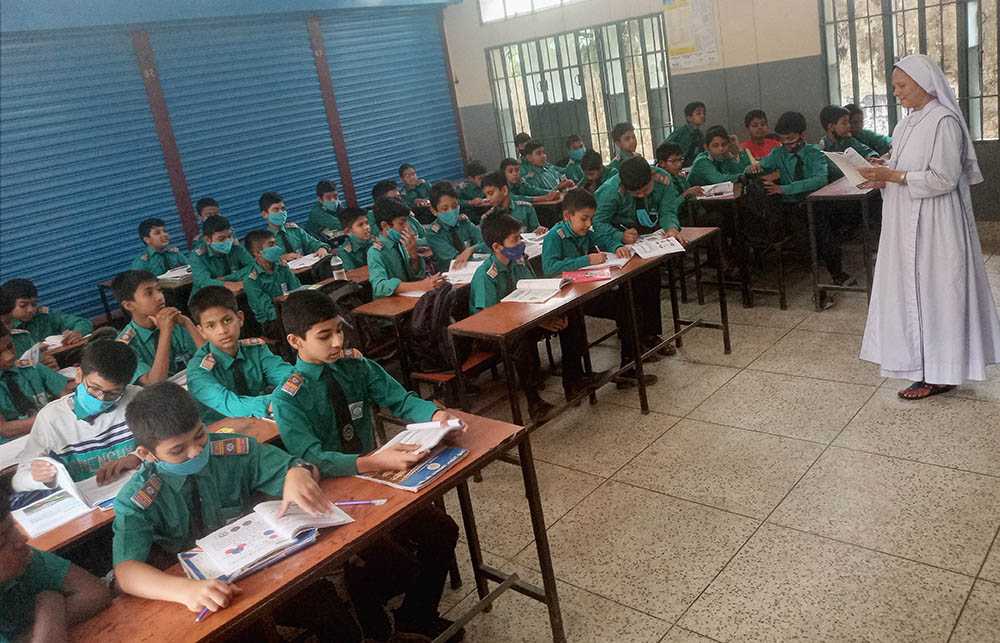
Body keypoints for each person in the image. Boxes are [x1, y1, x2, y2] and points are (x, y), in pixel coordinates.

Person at [271, 290, 463, 642]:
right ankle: (371, 618)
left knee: (442, 529)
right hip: (331, 496)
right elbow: (311, 457)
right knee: (394, 564)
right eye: (324, 336)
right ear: (295, 341)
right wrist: (372, 462)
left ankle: (415, 617)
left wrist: (436, 415)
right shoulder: (287, 397)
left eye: (339, 331)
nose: (337, 341)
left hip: (376, 479)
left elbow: (400, 400)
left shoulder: (356, 366)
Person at [111, 382, 358, 641]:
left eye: (199, 435)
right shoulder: (138, 498)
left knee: (328, 608)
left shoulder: (233, 449)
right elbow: (126, 572)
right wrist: (185, 591)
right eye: (177, 450)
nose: (196, 451)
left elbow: (299, 468)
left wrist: (299, 473)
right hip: (202, 589)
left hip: (259, 566)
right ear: (146, 454)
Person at [857, 54, 1000, 399]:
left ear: (924, 84)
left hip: (937, 224)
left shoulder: (944, 121)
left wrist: (893, 175)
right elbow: (902, 164)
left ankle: (942, 372)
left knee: (938, 295)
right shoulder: (906, 123)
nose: (897, 93)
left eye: (902, 86)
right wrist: (883, 169)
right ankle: (924, 366)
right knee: (913, 295)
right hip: (905, 220)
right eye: (894, 87)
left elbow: (945, 178)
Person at [471, 212, 591, 414]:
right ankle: (534, 401)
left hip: (523, 320)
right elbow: (491, 318)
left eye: (520, 237)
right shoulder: (486, 275)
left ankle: (574, 380)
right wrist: (539, 324)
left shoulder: (518, 263)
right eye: (515, 240)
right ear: (497, 247)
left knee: (571, 316)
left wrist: (547, 317)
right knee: (518, 339)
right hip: (491, 332)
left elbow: (532, 294)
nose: (521, 244)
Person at [542, 188, 662, 386]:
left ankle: (628, 367)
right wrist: (585, 259)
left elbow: (601, 239)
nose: (588, 224)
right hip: (568, 299)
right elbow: (549, 268)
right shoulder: (555, 237)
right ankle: (575, 380)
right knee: (572, 323)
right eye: (584, 219)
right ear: (567, 215)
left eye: (591, 219)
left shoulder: (584, 231)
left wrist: (616, 246)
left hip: (588, 292)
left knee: (629, 305)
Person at [12, 340, 141, 492]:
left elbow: (167, 443)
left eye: (113, 393)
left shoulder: (137, 399)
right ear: (79, 375)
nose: (101, 399)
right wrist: (39, 476)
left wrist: (136, 457)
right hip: (88, 502)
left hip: (134, 488)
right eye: (94, 389)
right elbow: (17, 482)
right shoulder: (52, 417)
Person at [593, 157, 678, 362]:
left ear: (651, 176)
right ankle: (633, 339)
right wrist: (618, 237)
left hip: (647, 236)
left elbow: (667, 209)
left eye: (645, 191)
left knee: (652, 279)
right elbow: (597, 223)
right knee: (632, 288)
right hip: (618, 241)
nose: (641, 195)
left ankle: (651, 334)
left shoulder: (663, 179)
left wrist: (672, 227)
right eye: (636, 193)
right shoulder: (610, 192)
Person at [0, 486, 111, 642]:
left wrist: (48, 603)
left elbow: (96, 593)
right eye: (3, 541)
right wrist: (51, 604)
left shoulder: (24, 558)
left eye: (13, 526)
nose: (21, 539)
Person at [756, 111, 851, 288]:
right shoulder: (778, 153)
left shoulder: (814, 153)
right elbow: (758, 166)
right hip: (791, 206)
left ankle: (837, 272)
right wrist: (752, 167)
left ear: (803, 135)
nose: (786, 143)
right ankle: (810, 267)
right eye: (782, 139)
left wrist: (783, 188)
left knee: (823, 229)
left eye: (790, 138)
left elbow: (819, 179)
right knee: (800, 229)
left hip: (814, 202)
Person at [186, 286, 293, 425]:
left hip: (262, 422)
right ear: (201, 331)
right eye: (211, 326)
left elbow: (289, 377)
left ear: (240, 318)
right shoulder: (198, 371)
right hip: (222, 433)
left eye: (227, 320)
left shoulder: (256, 349)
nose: (222, 331)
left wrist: (282, 396)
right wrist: (277, 400)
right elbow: (230, 404)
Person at [112, 270, 203, 385]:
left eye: (159, 290)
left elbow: (211, 359)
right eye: (149, 293)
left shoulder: (176, 321)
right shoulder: (124, 346)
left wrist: (188, 323)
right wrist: (166, 332)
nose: (160, 297)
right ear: (129, 305)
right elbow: (154, 382)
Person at [0, 324, 73, 444]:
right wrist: (52, 418)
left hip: (51, 433)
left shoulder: (32, 367)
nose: (9, 357)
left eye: (10, 347)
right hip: (12, 446)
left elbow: (67, 397)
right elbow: (5, 429)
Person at [368, 196, 444, 299]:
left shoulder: (401, 243)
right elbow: (379, 286)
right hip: (389, 306)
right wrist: (420, 285)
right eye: (401, 222)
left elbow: (414, 276)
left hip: (409, 299)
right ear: (385, 226)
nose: (407, 226)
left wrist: (414, 257)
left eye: (407, 221)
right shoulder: (375, 252)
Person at [242, 229, 301, 333]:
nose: (277, 248)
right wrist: (294, 317)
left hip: (292, 313)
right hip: (272, 323)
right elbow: (268, 311)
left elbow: (298, 290)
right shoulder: (251, 281)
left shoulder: (282, 268)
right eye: (271, 245)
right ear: (257, 252)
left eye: (275, 244)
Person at [1, 279, 93, 346]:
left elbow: (83, 322)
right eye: (23, 305)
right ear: (9, 304)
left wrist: (77, 332)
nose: (30, 310)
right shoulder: (5, 326)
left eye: (34, 304)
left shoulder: (44, 315)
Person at [188, 215, 256, 297]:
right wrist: (228, 285)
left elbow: (253, 265)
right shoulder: (197, 256)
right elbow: (204, 281)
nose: (228, 241)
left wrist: (227, 278)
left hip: (236, 293)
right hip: (206, 298)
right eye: (221, 239)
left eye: (230, 236)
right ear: (207, 240)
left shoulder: (235, 247)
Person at [424, 181, 487, 269]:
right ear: (434, 211)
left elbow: (486, 242)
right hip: (451, 276)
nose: (451, 211)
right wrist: (485, 263)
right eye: (445, 208)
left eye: (454, 206)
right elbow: (456, 260)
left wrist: (471, 249)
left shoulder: (464, 222)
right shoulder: (433, 234)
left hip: (476, 267)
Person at [259, 191, 329, 262]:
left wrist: (322, 248)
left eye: (283, 209)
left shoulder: (296, 231)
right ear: (265, 214)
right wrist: (280, 258)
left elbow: (314, 244)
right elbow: (258, 263)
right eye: (276, 210)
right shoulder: (262, 241)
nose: (281, 212)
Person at [819, 104, 878, 180]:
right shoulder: (822, 149)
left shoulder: (848, 140)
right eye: (844, 123)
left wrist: (872, 158)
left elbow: (867, 151)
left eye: (849, 122)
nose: (849, 126)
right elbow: (836, 171)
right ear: (831, 127)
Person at [0, 291, 58, 369]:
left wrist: (48, 364)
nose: (9, 357)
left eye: (8, 321)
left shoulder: (22, 338)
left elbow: (43, 366)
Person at [481, 171, 546, 234]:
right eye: (486, 195)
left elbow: (536, 232)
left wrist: (539, 231)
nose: (488, 199)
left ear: (504, 190)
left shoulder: (526, 208)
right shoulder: (487, 218)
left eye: (491, 193)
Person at [367, 179, 428, 245]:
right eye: (394, 199)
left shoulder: (404, 213)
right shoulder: (372, 220)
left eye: (399, 197)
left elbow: (423, 234)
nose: (399, 201)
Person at [665, 101, 707, 167]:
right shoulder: (681, 131)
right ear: (689, 118)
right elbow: (664, 146)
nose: (703, 116)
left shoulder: (700, 135)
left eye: (704, 113)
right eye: (698, 114)